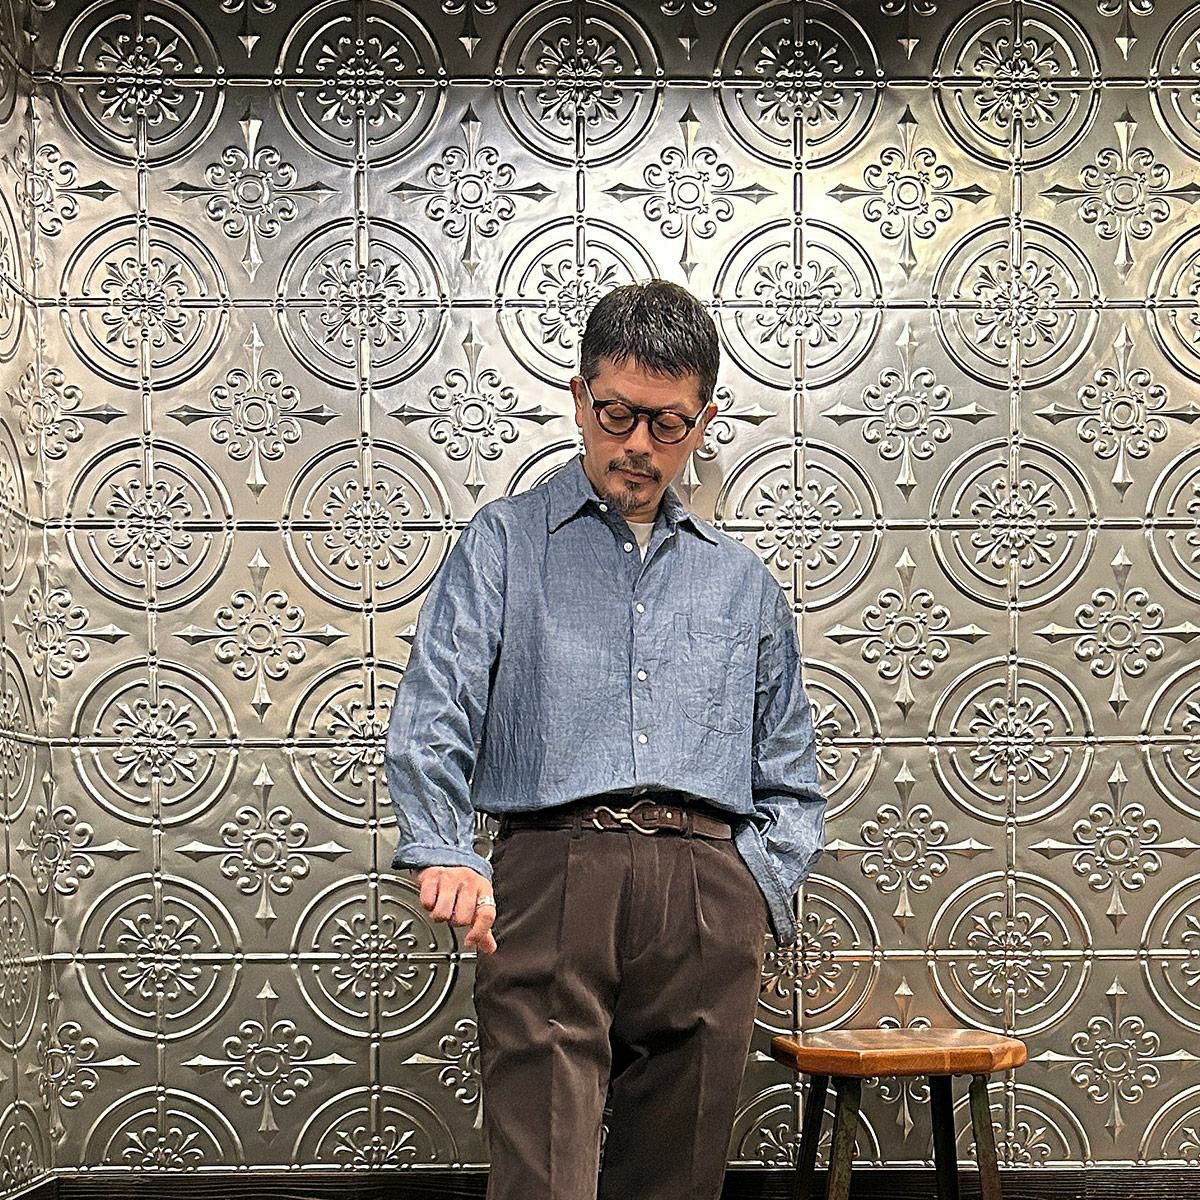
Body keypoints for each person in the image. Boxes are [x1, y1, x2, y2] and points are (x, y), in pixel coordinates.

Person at [384, 279, 825, 1200]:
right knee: (543, 1174)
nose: (638, 445)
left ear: (704, 422)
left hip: (707, 885)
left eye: (668, 424)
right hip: (552, 870)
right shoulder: (504, 543)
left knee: (680, 1176)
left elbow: (788, 767)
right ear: (581, 398)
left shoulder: (742, 581)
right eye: (619, 413)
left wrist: (753, 888)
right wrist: (441, 845)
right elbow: (436, 706)